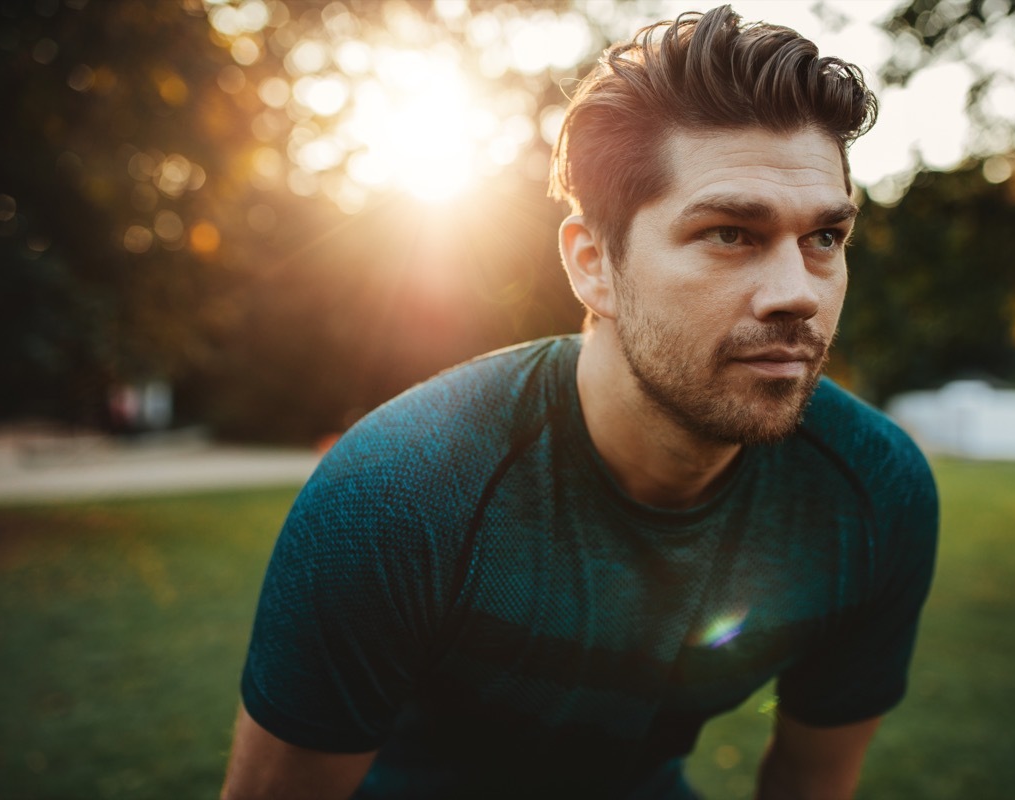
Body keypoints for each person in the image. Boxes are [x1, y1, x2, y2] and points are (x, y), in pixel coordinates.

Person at [221, 5, 938, 799]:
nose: (796, 293)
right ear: (594, 263)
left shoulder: (872, 491)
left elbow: (811, 782)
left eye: (825, 239)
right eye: (731, 233)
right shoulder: (398, 496)